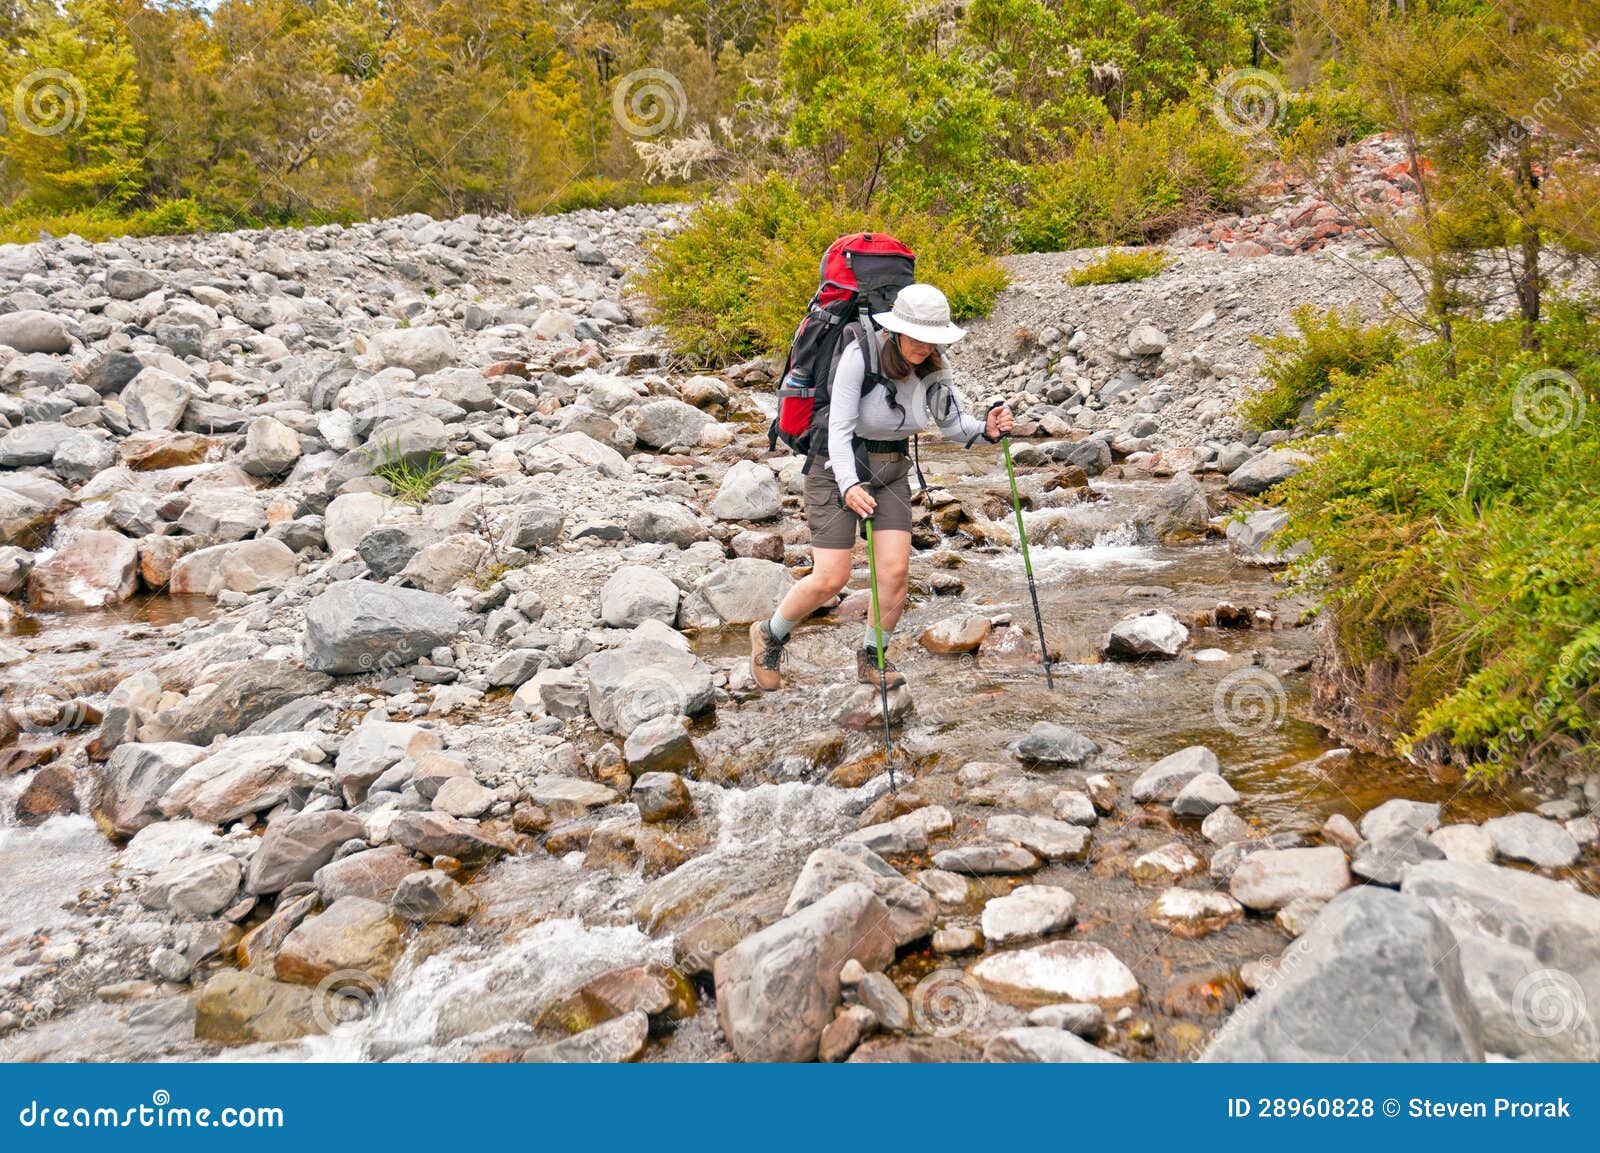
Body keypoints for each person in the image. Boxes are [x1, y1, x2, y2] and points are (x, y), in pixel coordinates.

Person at [750, 282, 1013, 691]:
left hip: (891, 472)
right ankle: (770, 632)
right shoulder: (860, 352)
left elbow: (953, 425)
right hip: (835, 467)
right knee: (831, 578)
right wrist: (849, 484)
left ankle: (872, 658)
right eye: (918, 338)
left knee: (894, 573)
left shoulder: (935, 366)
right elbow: (838, 429)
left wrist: (987, 431)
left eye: (933, 339)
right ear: (895, 330)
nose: (925, 347)